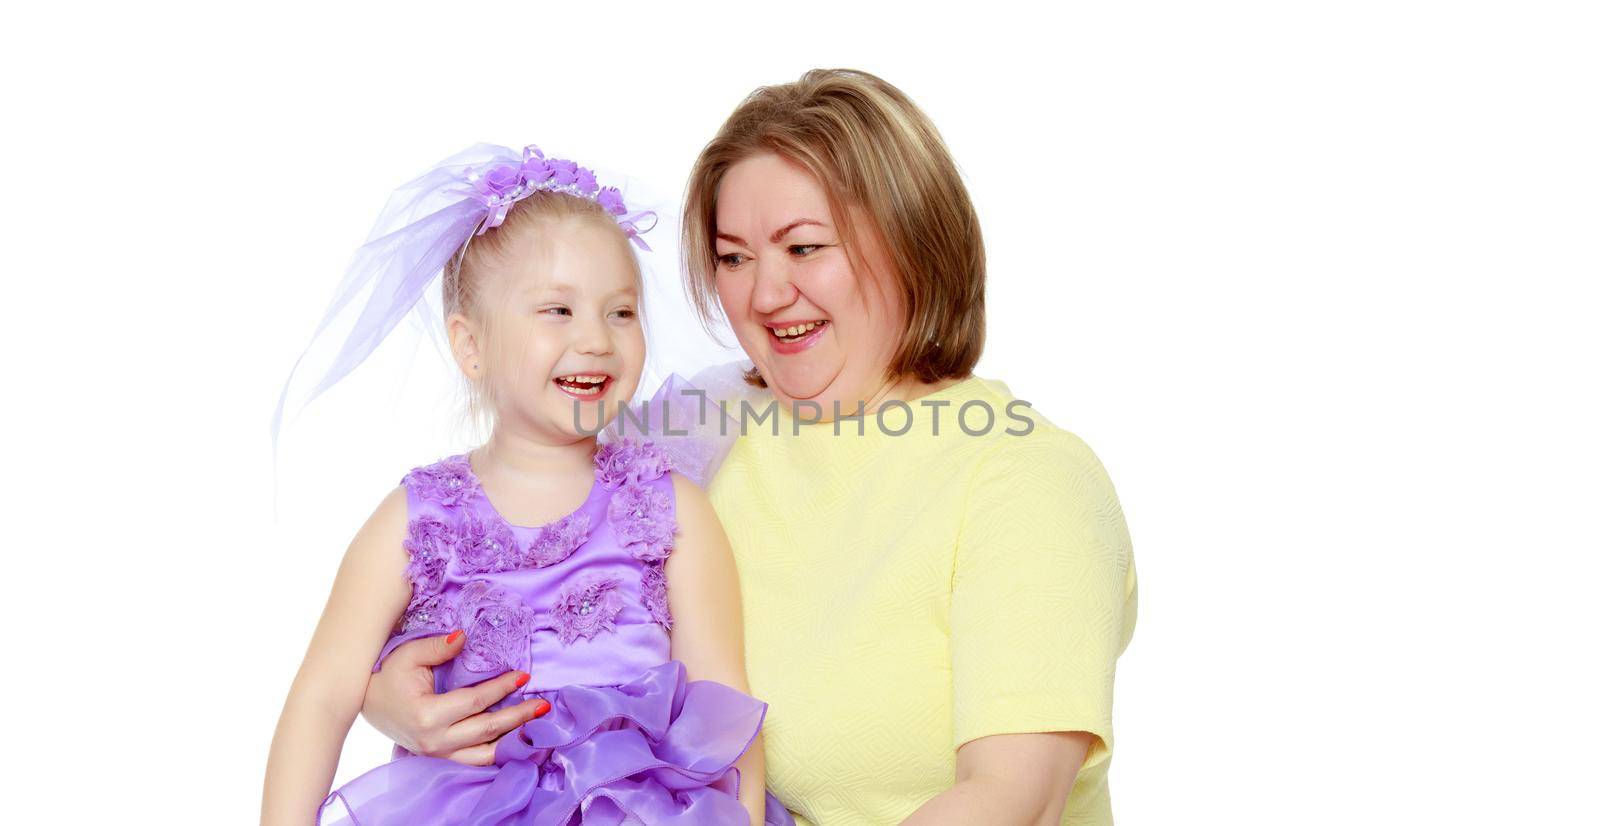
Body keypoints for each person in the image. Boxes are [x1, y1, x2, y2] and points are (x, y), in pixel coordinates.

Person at [365, 69, 1138, 826]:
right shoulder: (700, 429)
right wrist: (386, 696)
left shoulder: (1026, 479)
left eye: (804, 248)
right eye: (734, 258)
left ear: (912, 240)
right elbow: (506, 564)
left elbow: (1013, 800)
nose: (765, 296)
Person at [261, 144, 767, 825]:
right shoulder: (418, 519)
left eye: (620, 311)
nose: (596, 339)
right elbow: (322, 697)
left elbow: (725, 710)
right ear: (471, 346)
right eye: (557, 311)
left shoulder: (671, 509)